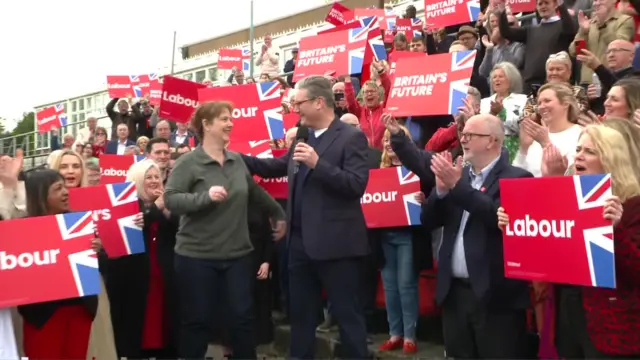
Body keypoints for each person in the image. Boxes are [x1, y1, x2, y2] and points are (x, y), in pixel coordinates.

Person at [241, 75, 371, 359]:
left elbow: (355, 185)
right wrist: (237, 158)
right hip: (299, 244)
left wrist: (318, 164)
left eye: (298, 103)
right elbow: (279, 166)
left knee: (348, 318)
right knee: (300, 318)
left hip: (337, 246)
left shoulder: (351, 137)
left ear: (319, 102)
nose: (294, 109)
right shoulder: (304, 136)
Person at [386, 113, 534, 358]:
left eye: (470, 135)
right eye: (463, 134)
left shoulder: (517, 178)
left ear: (491, 141)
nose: (463, 139)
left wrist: (457, 187)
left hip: (495, 300)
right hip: (454, 294)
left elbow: (496, 217)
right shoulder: (459, 175)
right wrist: (441, 193)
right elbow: (429, 221)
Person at [164, 101, 286, 359]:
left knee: (242, 320)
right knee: (197, 321)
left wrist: (277, 213)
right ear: (206, 125)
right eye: (223, 119)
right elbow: (171, 199)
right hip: (196, 257)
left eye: (231, 118)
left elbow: (254, 191)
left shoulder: (237, 161)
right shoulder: (188, 163)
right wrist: (204, 197)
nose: (230, 123)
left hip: (237, 255)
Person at [19, 170, 102, 359]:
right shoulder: (22, 230)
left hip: (79, 310)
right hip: (42, 315)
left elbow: (98, 267)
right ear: (41, 195)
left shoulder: (79, 224)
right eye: (58, 189)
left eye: (65, 187)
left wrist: (97, 249)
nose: (66, 192)